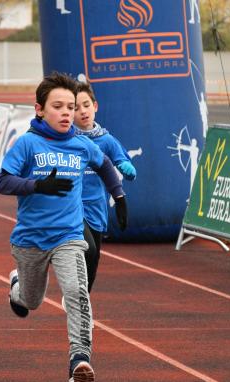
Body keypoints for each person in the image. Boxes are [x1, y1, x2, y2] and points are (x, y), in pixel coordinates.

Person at [0, 72, 127, 382]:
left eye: (70, 106)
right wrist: (37, 185)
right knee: (31, 301)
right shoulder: (28, 143)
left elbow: (105, 164)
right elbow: (3, 182)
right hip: (30, 239)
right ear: (39, 109)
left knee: (77, 293)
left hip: (69, 235)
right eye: (59, 106)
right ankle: (17, 287)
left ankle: (79, 360)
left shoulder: (82, 144)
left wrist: (119, 196)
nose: (67, 112)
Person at [72, 81, 136, 295]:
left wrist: (126, 168)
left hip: (96, 208)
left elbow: (121, 160)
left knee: (93, 259)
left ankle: (82, 302)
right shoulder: (67, 140)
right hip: (71, 207)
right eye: (76, 107)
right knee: (86, 250)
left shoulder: (105, 140)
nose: (82, 111)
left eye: (86, 105)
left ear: (95, 106)